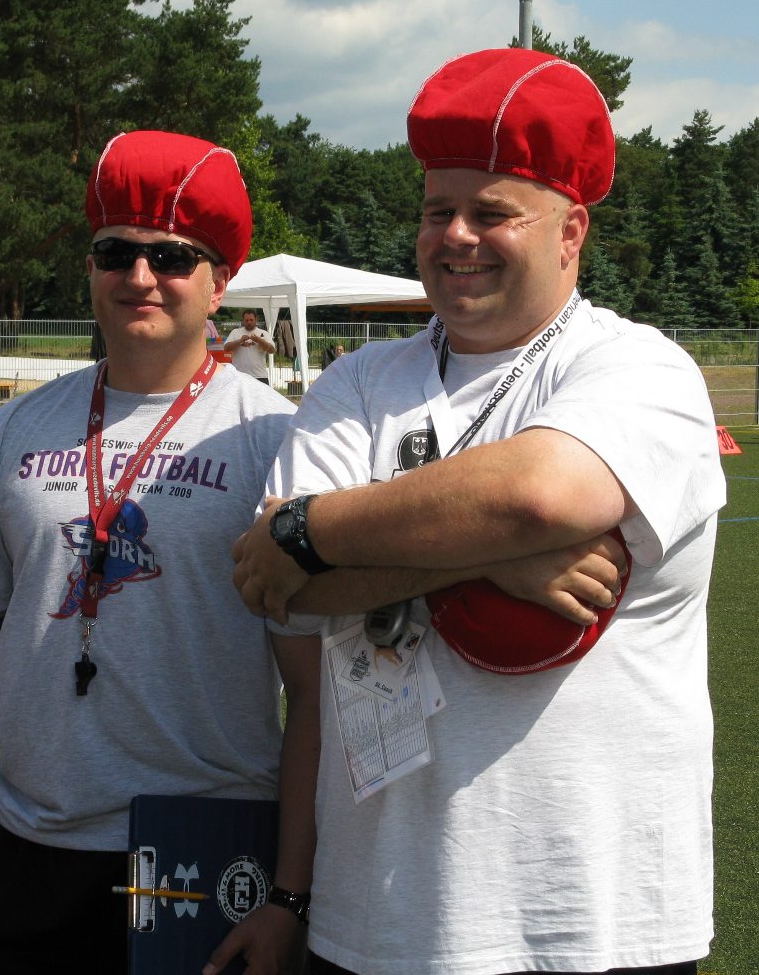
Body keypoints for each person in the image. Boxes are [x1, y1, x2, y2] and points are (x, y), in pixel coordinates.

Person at [232, 48, 725, 975]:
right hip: (376, 922)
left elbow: (538, 494)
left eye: (491, 212)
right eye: (435, 210)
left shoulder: (637, 367)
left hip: (591, 922)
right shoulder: (358, 382)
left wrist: (311, 529)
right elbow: (283, 586)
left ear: (571, 230)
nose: (454, 236)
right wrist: (490, 554)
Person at [0, 130, 320, 975]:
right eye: (116, 252)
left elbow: (313, 691)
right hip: (28, 849)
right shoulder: (15, 430)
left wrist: (290, 894)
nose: (140, 275)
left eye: (173, 257)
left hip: (211, 848)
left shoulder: (275, 439)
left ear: (221, 280)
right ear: (91, 267)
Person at [225, 310, 276, 383]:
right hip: (239, 376)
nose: (249, 322)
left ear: (256, 320)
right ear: (243, 321)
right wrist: (240, 341)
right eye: (246, 320)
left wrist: (259, 340)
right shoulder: (235, 332)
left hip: (259, 376)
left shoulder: (264, 333)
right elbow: (226, 348)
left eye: (251, 320)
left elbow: (272, 350)